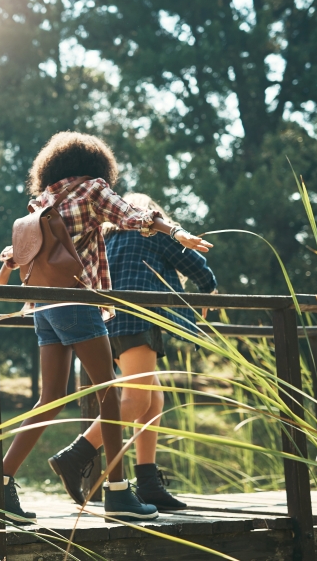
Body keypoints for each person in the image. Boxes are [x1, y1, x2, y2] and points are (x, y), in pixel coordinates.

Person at [0, 132, 212, 523]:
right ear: (97, 165)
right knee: (110, 394)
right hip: (77, 302)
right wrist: (176, 232)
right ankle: (118, 494)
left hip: (43, 306)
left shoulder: (42, 200)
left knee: (50, 397)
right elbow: (135, 216)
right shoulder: (93, 190)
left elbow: (20, 253)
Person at [57, 193, 217, 512]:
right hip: (137, 318)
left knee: (153, 398)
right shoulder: (152, 230)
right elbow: (192, 261)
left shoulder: (108, 237)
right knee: (137, 399)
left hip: (108, 322)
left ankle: (147, 484)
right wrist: (209, 288)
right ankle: (74, 457)